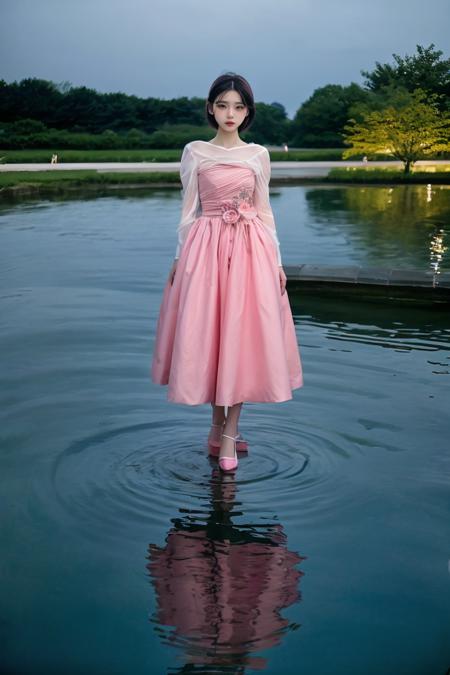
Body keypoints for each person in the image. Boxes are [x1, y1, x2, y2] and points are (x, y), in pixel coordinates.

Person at [151, 72, 303, 472]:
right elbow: (188, 213)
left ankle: (230, 434)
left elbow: (266, 212)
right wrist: (180, 258)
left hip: (251, 251)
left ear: (248, 111)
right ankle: (216, 429)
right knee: (213, 339)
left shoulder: (258, 155)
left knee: (243, 340)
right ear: (210, 108)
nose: (230, 113)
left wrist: (277, 262)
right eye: (222, 105)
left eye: (238, 106)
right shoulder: (195, 152)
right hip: (206, 249)